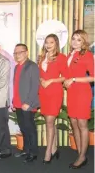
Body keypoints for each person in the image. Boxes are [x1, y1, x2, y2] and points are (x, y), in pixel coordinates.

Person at [64, 30, 94, 169]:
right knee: (74, 123)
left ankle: (82, 157)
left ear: (84, 42)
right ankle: (79, 152)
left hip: (82, 92)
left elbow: (93, 77)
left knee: (82, 125)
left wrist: (74, 79)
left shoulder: (87, 55)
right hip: (72, 93)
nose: (75, 41)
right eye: (74, 38)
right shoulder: (69, 55)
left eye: (79, 39)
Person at [38, 34, 67, 164]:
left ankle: (48, 152)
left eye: (51, 42)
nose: (48, 45)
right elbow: (38, 74)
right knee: (49, 122)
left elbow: (66, 77)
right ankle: (54, 148)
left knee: (49, 122)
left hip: (54, 92)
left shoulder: (61, 58)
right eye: (46, 42)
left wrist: (50, 80)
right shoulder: (41, 57)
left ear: (56, 43)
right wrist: (41, 80)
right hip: (43, 93)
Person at [12, 43, 40, 163]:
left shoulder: (32, 66)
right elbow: (16, 86)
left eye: (20, 52)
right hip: (18, 103)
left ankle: (33, 153)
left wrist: (28, 102)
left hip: (28, 104)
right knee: (23, 128)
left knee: (30, 129)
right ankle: (26, 150)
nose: (17, 55)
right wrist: (14, 101)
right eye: (15, 53)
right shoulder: (17, 67)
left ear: (26, 53)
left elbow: (35, 86)